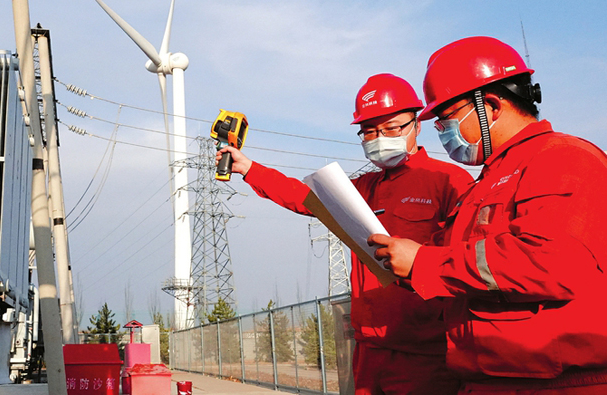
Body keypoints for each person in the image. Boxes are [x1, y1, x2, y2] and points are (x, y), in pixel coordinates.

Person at [370, 36, 607, 394]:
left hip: (555, 383)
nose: (444, 135)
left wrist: (426, 264)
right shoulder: (486, 183)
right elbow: (460, 261)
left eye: (446, 120)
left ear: (491, 106)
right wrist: (406, 261)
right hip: (489, 379)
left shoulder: (561, 159)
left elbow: (550, 262)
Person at [218, 73, 471, 395]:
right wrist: (250, 168)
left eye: (391, 128)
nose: (380, 138)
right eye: (369, 131)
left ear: (417, 125)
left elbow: (464, 257)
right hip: (368, 345)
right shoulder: (363, 188)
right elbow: (305, 199)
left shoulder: (449, 180)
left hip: (426, 349)